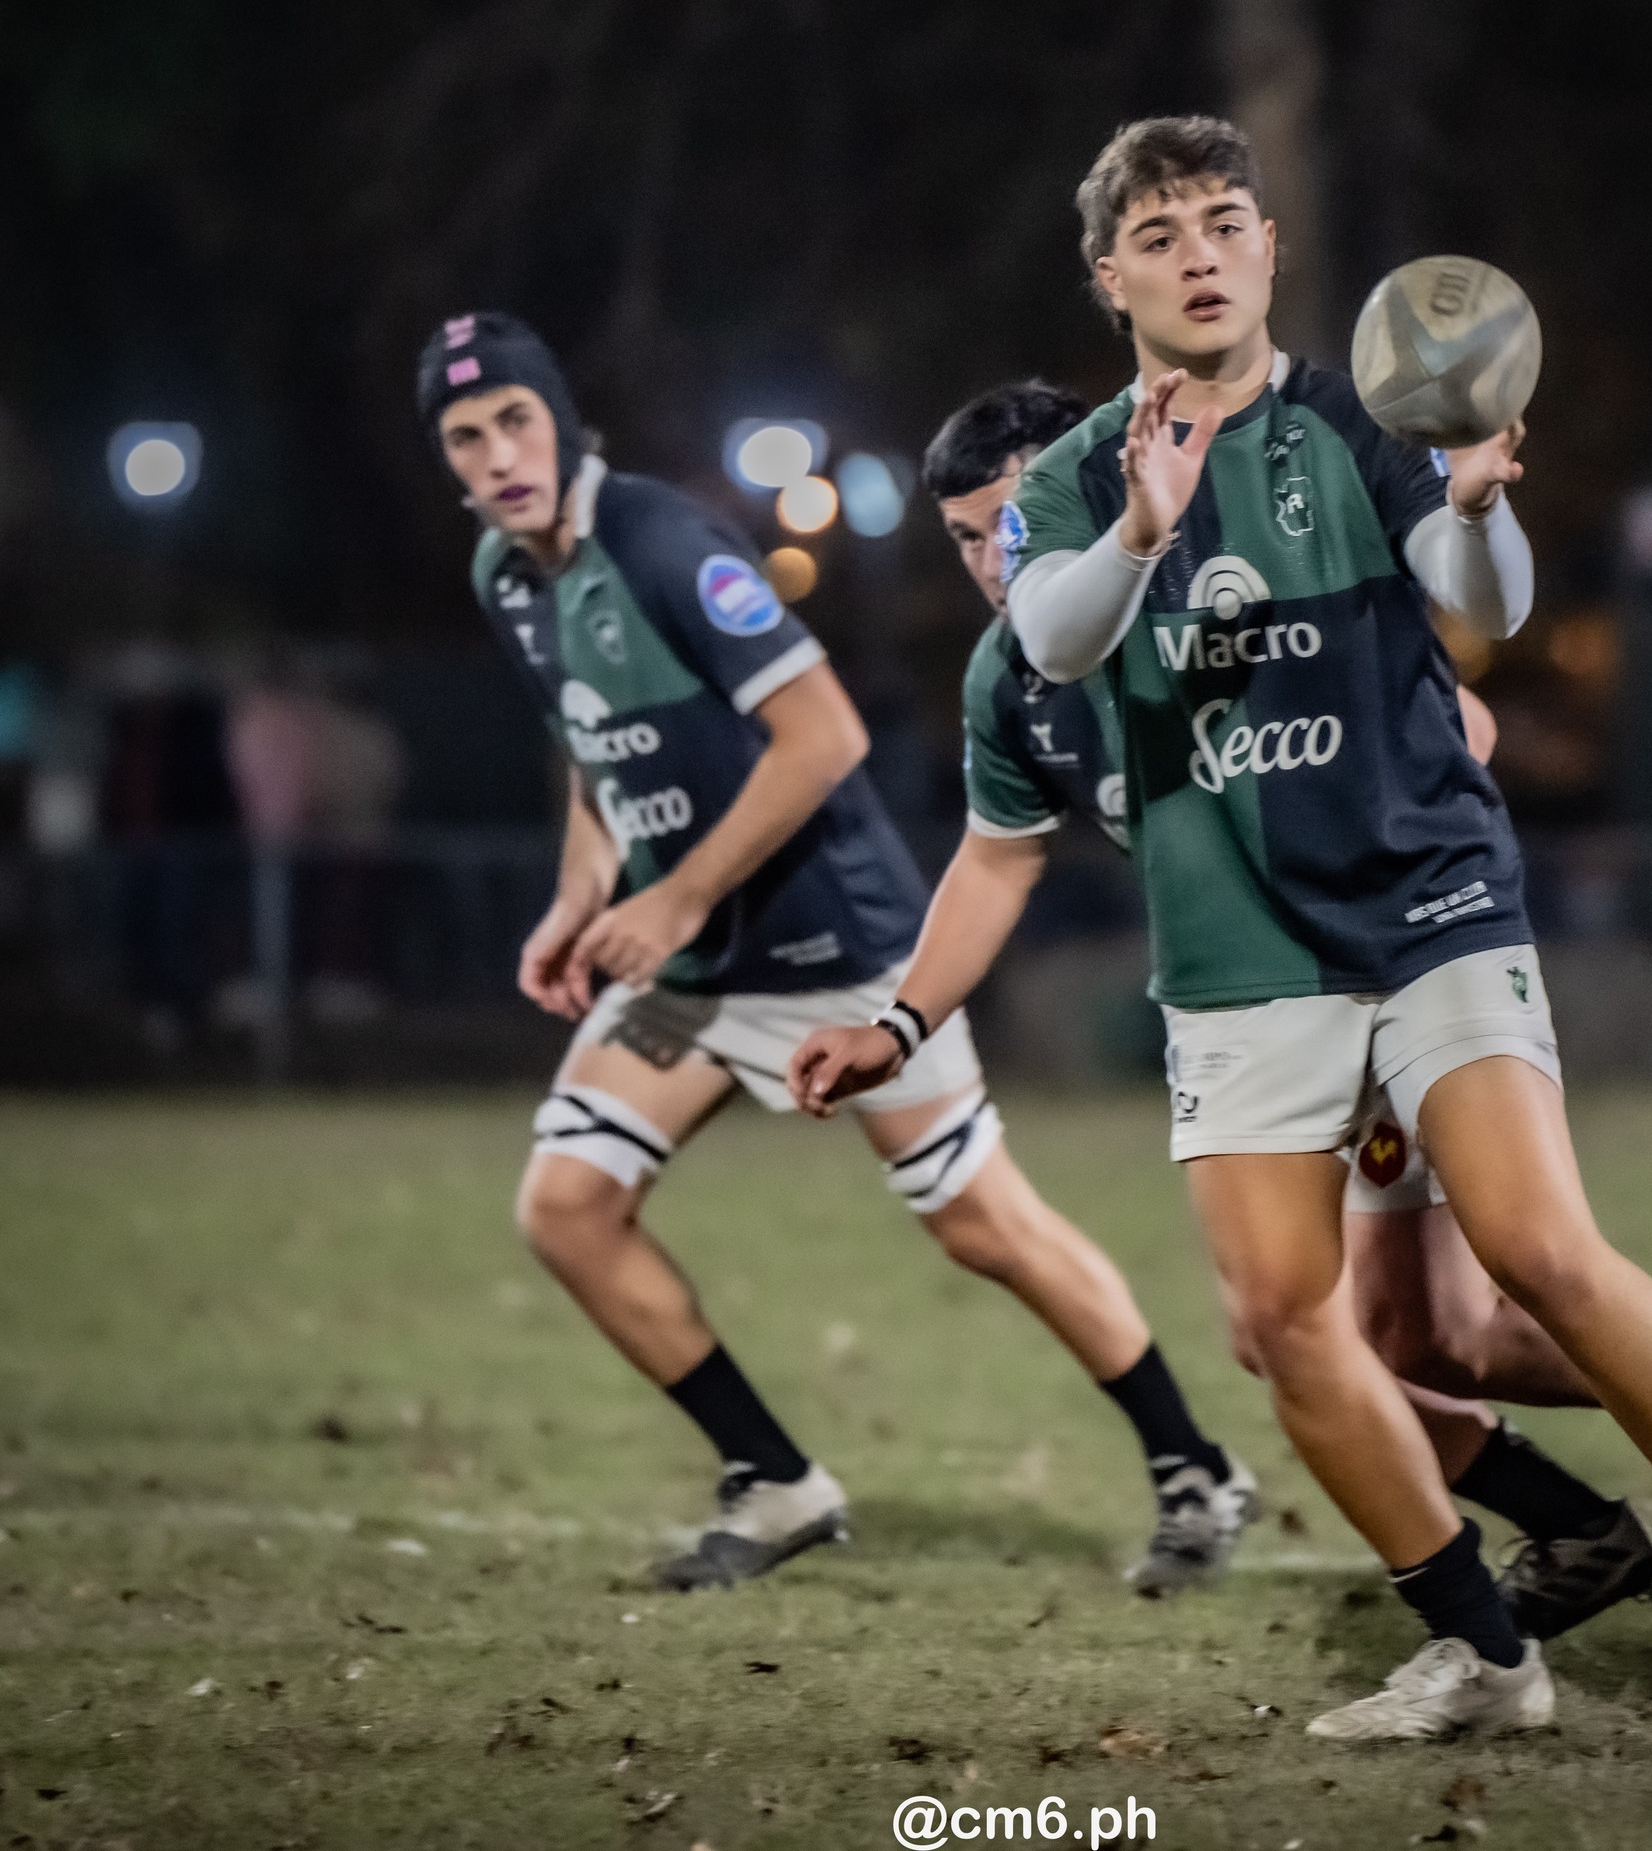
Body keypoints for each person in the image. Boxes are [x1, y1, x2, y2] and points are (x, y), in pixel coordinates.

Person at [823, 116, 1652, 1746]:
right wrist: (1143, 528)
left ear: (1266, 246)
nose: (1201, 251)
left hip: (1427, 906)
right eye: (1160, 233)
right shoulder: (1087, 483)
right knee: (1305, 1325)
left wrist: (1473, 496)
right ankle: (1487, 1646)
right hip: (1243, 968)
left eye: (1224, 220)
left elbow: (1486, 598)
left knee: (1532, 1250)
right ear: (1110, 276)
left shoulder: (1354, 416)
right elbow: (1049, 639)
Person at [416, 311, 1251, 1595]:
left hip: (829, 945)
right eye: (466, 437)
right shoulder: (507, 573)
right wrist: (578, 892)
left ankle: (1194, 1463)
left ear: (560, 421)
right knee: (568, 1206)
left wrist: (679, 897)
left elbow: (821, 738)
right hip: (694, 969)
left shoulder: (659, 540)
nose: (497, 454)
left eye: (514, 420)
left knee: (985, 1227)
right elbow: (590, 740)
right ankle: (776, 1479)